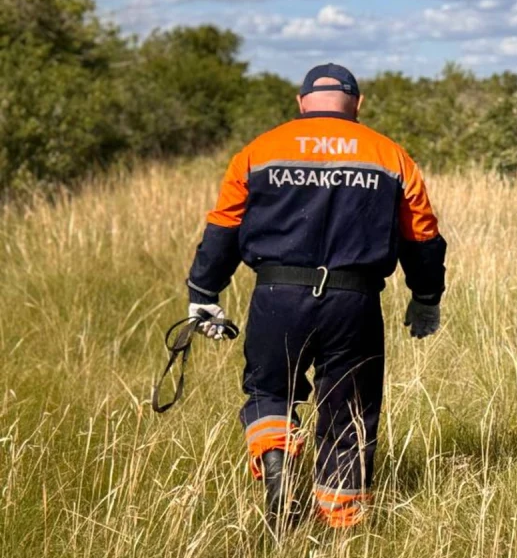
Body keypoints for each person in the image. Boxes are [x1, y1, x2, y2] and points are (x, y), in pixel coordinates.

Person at [184, 63, 446, 533]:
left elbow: (224, 224)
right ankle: (344, 527)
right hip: (355, 302)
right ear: (358, 104)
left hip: (275, 297)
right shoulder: (390, 156)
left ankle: (277, 462)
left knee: (269, 392)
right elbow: (421, 235)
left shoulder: (259, 151)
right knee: (349, 412)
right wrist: (425, 297)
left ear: (301, 102)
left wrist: (204, 292)